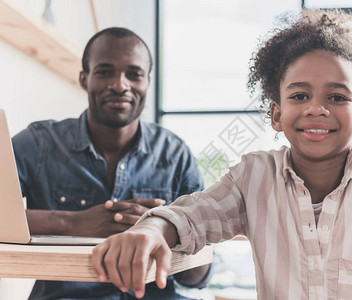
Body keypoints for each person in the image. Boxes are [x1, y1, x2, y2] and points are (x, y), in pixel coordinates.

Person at [91, 9, 352, 299]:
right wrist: (148, 231)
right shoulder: (255, 175)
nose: (316, 109)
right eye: (299, 96)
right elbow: (194, 215)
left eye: (337, 98)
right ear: (276, 115)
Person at [12, 27, 212, 299]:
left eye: (134, 74)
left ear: (147, 82)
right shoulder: (38, 143)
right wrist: (71, 224)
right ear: (84, 79)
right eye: (105, 72)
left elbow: (198, 276)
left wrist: (169, 234)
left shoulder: (175, 153)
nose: (120, 85)